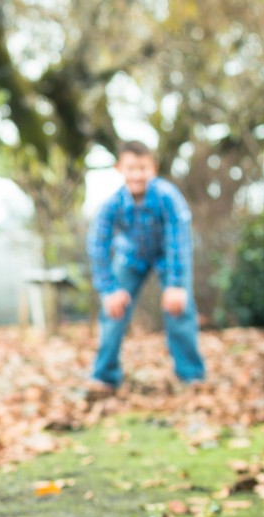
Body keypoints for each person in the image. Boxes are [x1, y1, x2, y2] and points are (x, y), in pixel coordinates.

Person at [86, 140, 206, 390]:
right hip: (131, 258)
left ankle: (191, 376)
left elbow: (179, 241)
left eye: (143, 168)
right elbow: (98, 246)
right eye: (131, 168)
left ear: (153, 168)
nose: (137, 174)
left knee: (179, 309)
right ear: (120, 169)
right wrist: (108, 290)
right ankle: (104, 377)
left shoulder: (168, 197)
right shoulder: (112, 204)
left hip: (168, 257)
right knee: (113, 311)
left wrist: (176, 285)